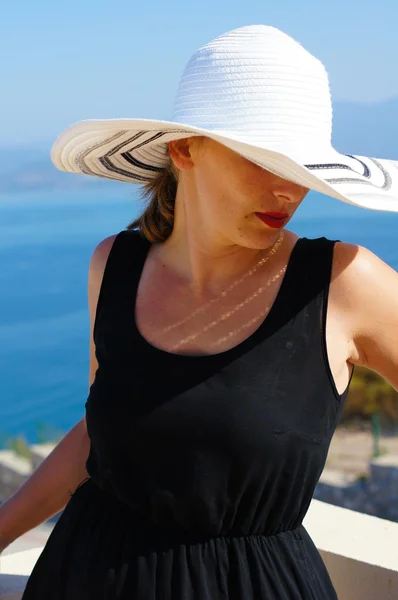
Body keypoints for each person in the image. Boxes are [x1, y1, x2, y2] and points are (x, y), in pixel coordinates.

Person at [1, 24, 398, 600]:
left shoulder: (344, 282)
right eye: (268, 161)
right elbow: (104, 431)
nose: (291, 191)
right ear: (185, 150)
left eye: (304, 170)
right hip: (82, 575)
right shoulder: (114, 265)